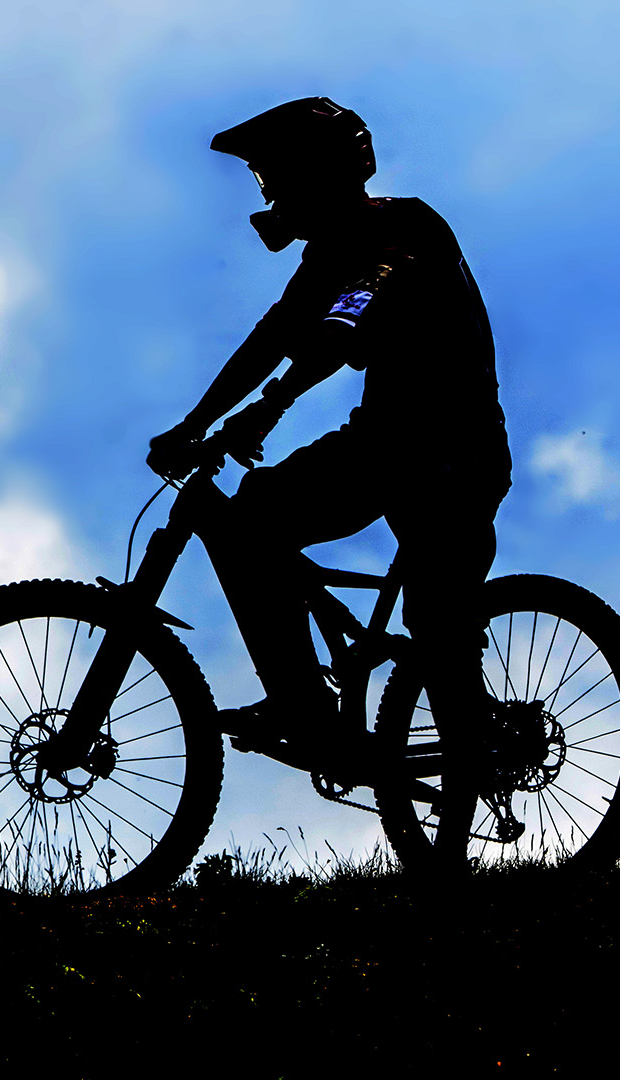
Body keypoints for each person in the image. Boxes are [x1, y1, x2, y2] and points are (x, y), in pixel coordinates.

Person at [146, 98, 512, 798]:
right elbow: (275, 335)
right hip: (386, 445)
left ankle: (464, 753)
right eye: (264, 181)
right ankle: (303, 703)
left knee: (437, 623)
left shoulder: (404, 226)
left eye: (274, 175)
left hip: (450, 453)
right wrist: (196, 421)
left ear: (319, 172)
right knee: (254, 518)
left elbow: (349, 318)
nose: (271, 195)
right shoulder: (324, 257)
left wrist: (271, 405)